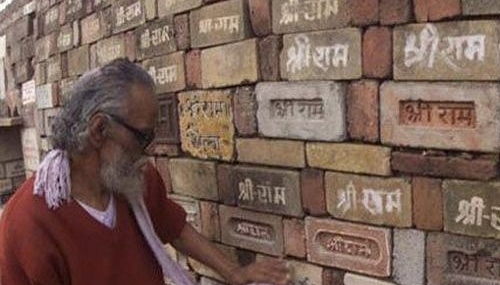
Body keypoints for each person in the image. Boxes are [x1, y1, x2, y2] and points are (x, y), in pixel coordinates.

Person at [0, 58, 290, 285]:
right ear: (99, 129)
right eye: (143, 138)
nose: (148, 150)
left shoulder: (135, 181)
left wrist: (235, 274)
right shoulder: (27, 225)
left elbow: (173, 227)